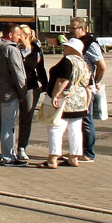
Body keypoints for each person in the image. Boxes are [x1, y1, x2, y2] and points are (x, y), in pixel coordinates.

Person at [38, 38, 91, 169]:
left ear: (72, 49)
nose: (64, 49)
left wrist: (55, 95)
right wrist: (87, 102)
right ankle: (74, 157)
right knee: (75, 130)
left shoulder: (68, 61)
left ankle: (53, 159)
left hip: (64, 101)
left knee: (55, 128)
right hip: (79, 102)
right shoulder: (84, 64)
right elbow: (88, 85)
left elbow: (63, 80)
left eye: (66, 47)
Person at [0, 23, 27, 166]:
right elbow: (18, 73)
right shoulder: (11, 49)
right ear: (10, 35)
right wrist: (23, 92)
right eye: (18, 35)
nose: (20, 38)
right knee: (8, 125)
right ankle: (8, 157)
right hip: (9, 93)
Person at [70, 18, 106, 163]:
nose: (71, 31)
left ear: (83, 29)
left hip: (86, 87)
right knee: (77, 119)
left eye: (74, 28)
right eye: (70, 28)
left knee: (86, 119)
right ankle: (77, 151)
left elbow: (102, 66)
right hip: (75, 86)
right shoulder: (75, 43)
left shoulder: (90, 44)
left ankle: (88, 153)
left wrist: (94, 81)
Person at [16, 24, 49, 162]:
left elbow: (40, 69)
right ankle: (8, 148)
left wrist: (45, 87)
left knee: (26, 118)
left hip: (30, 87)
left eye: (20, 35)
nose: (17, 38)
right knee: (9, 119)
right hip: (13, 88)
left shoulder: (36, 51)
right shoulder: (13, 49)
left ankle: (22, 147)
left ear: (27, 36)